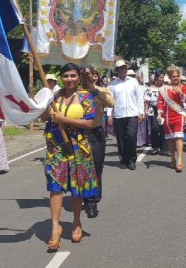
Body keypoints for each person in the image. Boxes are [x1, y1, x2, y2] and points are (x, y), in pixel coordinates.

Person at [40, 63, 99, 252]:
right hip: (56, 146)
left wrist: (64, 120)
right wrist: (44, 101)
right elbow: (43, 119)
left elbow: (89, 122)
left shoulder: (85, 97)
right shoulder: (54, 96)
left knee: (77, 185)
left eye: (73, 76)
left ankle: (75, 222)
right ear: (61, 78)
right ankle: (55, 228)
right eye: (65, 76)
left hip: (78, 146)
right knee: (55, 186)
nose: (69, 79)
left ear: (78, 77)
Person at [81, 66, 114, 219]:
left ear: (95, 76)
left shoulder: (101, 90)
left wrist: (94, 91)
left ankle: (93, 199)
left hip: (96, 133)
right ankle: (88, 200)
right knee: (82, 168)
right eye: (83, 74)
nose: (86, 77)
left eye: (89, 74)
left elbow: (110, 102)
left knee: (95, 167)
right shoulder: (75, 92)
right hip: (79, 134)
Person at [107, 60, 145, 170]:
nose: (123, 70)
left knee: (132, 137)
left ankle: (131, 160)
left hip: (132, 114)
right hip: (118, 115)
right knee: (121, 138)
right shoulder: (113, 84)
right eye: (120, 68)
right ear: (117, 70)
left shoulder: (133, 81)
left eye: (124, 67)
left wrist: (141, 113)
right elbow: (110, 101)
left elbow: (139, 98)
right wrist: (109, 114)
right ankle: (123, 159)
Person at [157, 66, 186, 173]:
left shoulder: (184, 87)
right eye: (173, 76)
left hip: (179, 115)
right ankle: (172, 158)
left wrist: (181, 93)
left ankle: (180, 160)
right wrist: (159, 112)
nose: (175, 78)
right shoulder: (164, 88)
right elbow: (160, 101)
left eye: (177, 76)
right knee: (171, 139)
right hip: (167, 116)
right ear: (170, 77)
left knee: (178, 137)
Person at [145, 71, 166, 155]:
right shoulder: (150, 88)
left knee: (163, 128)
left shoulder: (165, 88)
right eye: (161, 77)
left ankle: (163, 147)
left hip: (163, 109)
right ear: (156, 78)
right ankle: (155, 147)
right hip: (153, 109)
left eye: (163, 77)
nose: (162, 79)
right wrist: (146, 110)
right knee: (154, 128)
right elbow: (147, 100)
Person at [133, 71, 149, 148]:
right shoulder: (133, 87)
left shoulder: (143, 87)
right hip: (134, 107)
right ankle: (137, 141)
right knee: (136, 126)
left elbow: (146, 98)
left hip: (141, 106)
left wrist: (145, 108)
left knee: (142, 125)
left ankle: (144, 140)